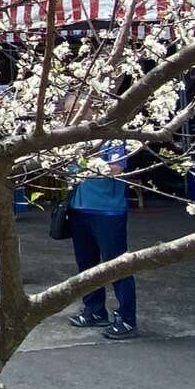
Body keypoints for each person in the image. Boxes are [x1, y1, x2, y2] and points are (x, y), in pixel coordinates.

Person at [66, 141, 137, 340]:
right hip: (80, 208)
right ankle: (94, 310)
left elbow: (116, 169)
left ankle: (127, 318)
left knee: (117, 265)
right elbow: (68, 168)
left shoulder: (115, 139)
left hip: (109, 211)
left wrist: (84, 162)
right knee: (86, 264)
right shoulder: (75, 137)